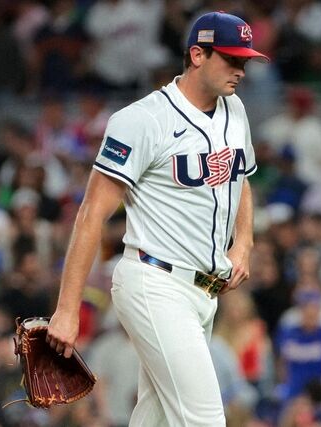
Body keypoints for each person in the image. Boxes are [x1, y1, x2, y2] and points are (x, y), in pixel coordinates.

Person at [46, 11, 268, 426]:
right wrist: (67, 309)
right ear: (197, 55)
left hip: (204, 292)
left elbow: (240, 177)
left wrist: (244, 241)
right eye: (231, 59)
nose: (240, 70)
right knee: (205, 420)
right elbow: (91, 214)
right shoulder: (142, 120)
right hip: (155, 282)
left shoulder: (234, 109)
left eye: (245, 60)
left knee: (156, 420)